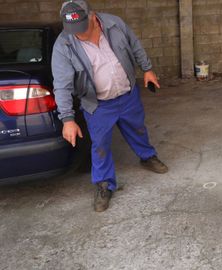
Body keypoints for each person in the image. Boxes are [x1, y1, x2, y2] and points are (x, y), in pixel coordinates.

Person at [52, 0, 168, 212]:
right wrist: (67, 119)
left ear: (93, 16)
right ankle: (104, 184)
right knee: (100, 145)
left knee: (137, 128)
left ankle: (147, 156)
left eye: (82, 28)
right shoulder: (63, 45)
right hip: (98, 104)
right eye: (73, 30)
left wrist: (147, 69)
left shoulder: (114, 24)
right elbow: (62, 85)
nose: (78, 34)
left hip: (127, 94)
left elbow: (135, 45)